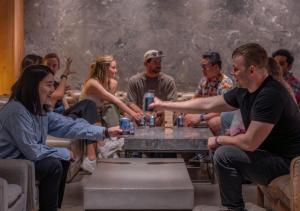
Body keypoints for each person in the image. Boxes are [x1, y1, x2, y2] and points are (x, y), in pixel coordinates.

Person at [150, 43, 300, 211]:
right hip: (270, 155)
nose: (232, 73)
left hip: (290, 164)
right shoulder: (245, 91)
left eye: (236, 69)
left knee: (225, 154)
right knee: (224, 152)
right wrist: (165, 105)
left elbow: (250, 143)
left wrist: (218, 139)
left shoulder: (270, 94)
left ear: (251, 70)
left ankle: (234, 208)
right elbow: (206, 104)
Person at [0, 64, 121, 211]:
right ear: (33, 86)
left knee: (60, 161)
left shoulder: (38, 109)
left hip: (24, 157)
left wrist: (105, 132)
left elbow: (68, 125)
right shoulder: (17, 112)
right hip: (10, 162)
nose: (52, 90)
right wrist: (61, 152)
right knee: (53, 165)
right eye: (49, 85)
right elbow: (31, 150)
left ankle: (53, 207)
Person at [80, 55, 142, 171]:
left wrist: (126, 115)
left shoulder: (113, 83)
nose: (116, 70)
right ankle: (104, 147)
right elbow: (115, 100)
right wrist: (133, 113)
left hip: (100, 113)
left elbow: (108, 103)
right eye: (113, 68)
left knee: (110, 107)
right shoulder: (92, 83)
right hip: (84, 114)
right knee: (95, 108)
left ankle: (108, 147)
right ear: (104, 69)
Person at [184, 51, 233, 135]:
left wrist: (201, 117)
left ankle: (217, 144)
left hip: (217, 115)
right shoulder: (204, 80)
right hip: (205, 113)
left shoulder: (225, 83)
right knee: (186, 116)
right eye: (201, 66)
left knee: (214, 122)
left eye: (205, 67)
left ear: (216, 67)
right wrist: (183, 108)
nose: (202, 70)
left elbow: (223, 110)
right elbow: (196, 98)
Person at [127, 49, 177, 126]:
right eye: (155, 62)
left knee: (169, 114)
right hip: (140, 116)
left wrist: (158, 113)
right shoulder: (134, 81)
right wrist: (143, 114)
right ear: (146, 64)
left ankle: (167, 137)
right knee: (129, 115)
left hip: (160, 116)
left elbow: (172, 103)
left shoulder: (168, 81)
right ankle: (135, 137)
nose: (158, 64)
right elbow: (131, 103)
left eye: (159, 62)